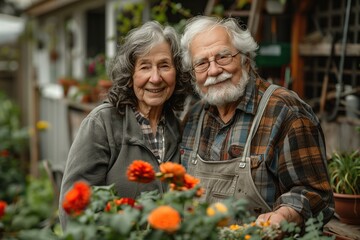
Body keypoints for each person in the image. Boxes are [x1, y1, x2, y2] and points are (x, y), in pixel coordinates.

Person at [180, 16, 334, 228]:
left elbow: (315, 194)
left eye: (223, 57)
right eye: (202, 63)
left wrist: (284, 216)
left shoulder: (285, 111)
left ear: (245, 58)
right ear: (193, 73)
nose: (213, 71)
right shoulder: (194, 116)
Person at [59, 21, 190, 229]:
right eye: (145, 67)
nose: (155, 78)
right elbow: (73, 209)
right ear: (130, 76)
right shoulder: (102, 124)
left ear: (177, 73)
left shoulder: (178, 127)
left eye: (164, 65)